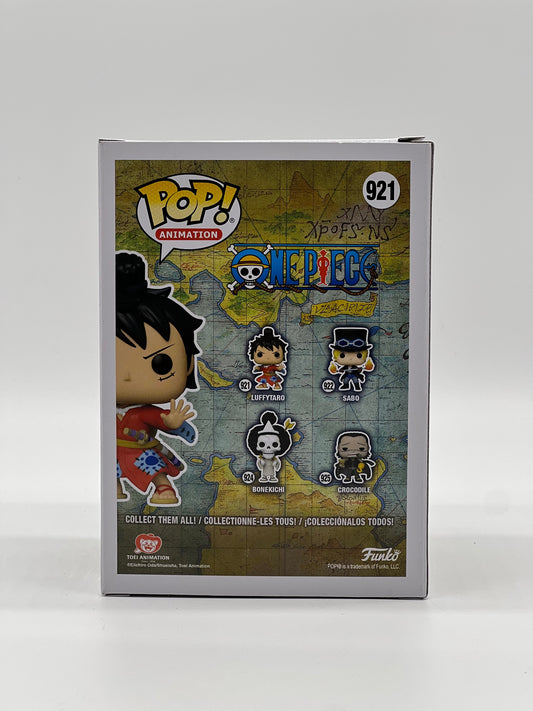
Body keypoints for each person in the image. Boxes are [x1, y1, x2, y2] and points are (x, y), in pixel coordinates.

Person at [115, 251, 204, 506]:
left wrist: (172, 422)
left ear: (188, 363)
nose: (128, 377)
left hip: (141, 451)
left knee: (154, 469)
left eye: (160, 363)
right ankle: (113, 489)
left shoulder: (143, 413)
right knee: (110, 471)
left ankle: (164, 488)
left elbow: (163, 420)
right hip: (113, 452)